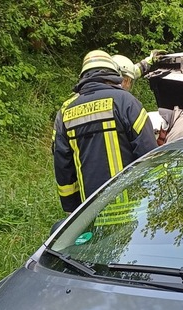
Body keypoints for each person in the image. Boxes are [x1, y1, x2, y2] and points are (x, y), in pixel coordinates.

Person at [52, 50, 157, 213]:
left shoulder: (65, 112)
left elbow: (63, 166)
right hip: (132, 209)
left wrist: (72, 212)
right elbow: (149, 153)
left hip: (91, 212)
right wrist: (155, 199)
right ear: (113, 75)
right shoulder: (126, 102)